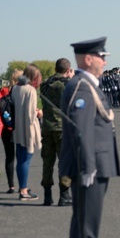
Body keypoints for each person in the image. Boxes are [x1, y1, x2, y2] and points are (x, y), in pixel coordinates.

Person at [60, 37, 120, 238]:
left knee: (86, 222)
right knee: (87, 224)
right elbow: (81, 131)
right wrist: (87, 167)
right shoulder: (83, 87)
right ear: (88, 59)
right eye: (102, 57)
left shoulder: (87, 85)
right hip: (91, 167)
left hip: (95, 164)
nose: (105, 61)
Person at [40, 58, 74, 206]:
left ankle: (47, 196)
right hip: (62, 129)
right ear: (68, 70)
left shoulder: (45, 84)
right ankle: (64, 195)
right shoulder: (66, 85)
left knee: (47, 162)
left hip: (47, 128)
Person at [11, 64, 43, 201]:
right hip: (28, 128)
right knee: (26, 159)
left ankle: (22, 186)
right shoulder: (30, 90)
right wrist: (39, 113)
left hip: (17, 127)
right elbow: (31, 115)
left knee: (20, 158)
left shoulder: (15, 88)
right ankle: (24, 191)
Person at [1, 69, 23, 195]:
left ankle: (11, 185)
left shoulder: (4, 91)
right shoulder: (20, 91)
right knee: (20, 156)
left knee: (9, 157)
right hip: (18, 127)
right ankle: (22, 185)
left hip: (6, 127)